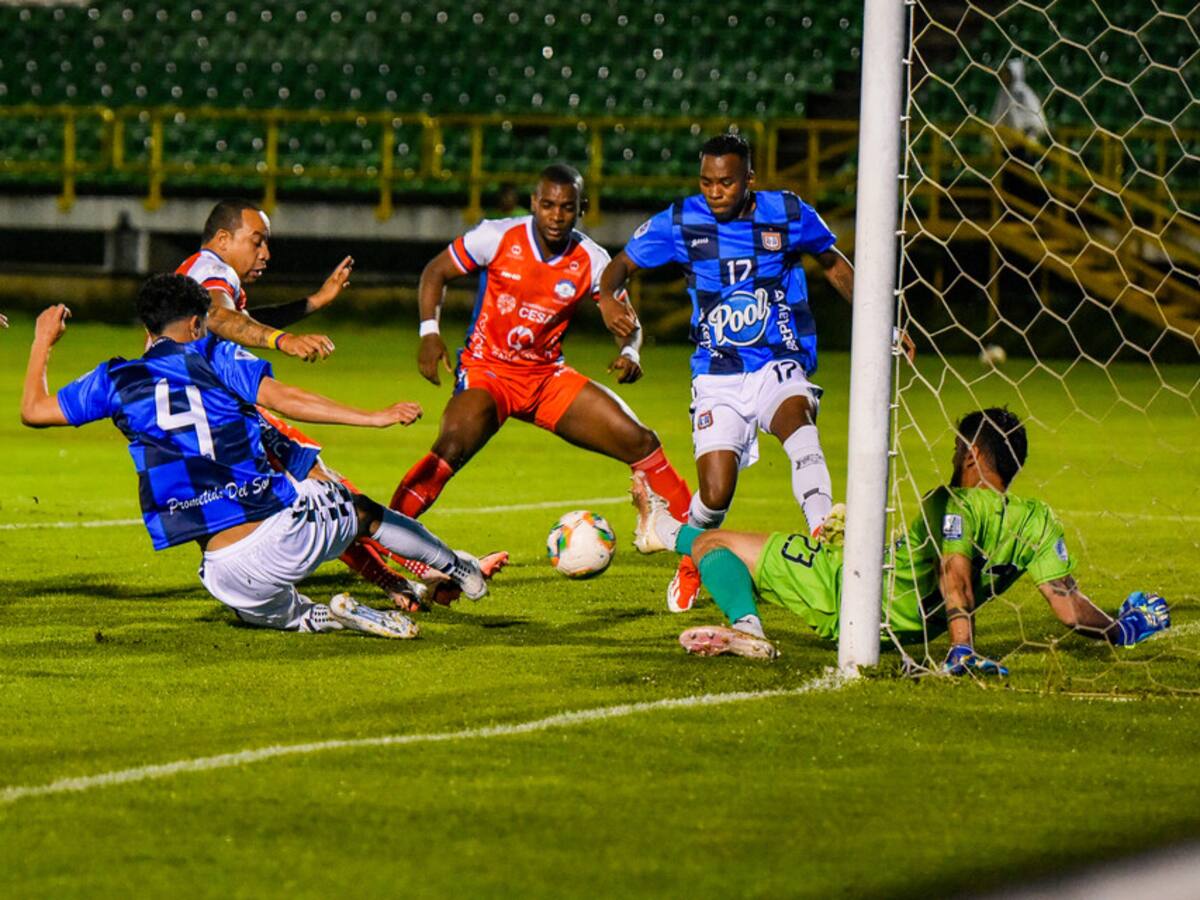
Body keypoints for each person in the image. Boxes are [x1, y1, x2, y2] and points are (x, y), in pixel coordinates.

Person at [19, 275, 489, 638]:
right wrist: (373, 417)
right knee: (358, 509)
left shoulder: (114, 379)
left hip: (222, 574)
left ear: (147, 328)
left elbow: (34, 411)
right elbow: (283, 398)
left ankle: (335, 616)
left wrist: (43, 342)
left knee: (283, 615)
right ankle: (461, 569)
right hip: (278, 540)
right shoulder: (212, 355)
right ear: (195, 324)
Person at [631, 407, 1171, 668]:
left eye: (959, 448)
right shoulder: (1037, 519)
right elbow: (1069, 609)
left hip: (849, 593)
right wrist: (1120, 626)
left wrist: (963, 650)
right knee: (803, 539)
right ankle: (659, 529)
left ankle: (742, 622)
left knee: (714, 546)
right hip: (906, 625)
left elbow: (953, 572)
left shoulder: (951, 501)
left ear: (972, 456)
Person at [177, 199, 486, 611]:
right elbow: (220, 316)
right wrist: (281, 341)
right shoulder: (211, 272)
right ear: (222, 239)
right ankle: (429, 571)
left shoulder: (200, 282)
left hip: (202, 423)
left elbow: (237, 317)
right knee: (330, 501)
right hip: (218, 426)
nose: (266, 252)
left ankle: (403, 577)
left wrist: (314, 302)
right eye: (257, 241)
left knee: (324, 493)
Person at [598, 132, 856, 614]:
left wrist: (880, 319)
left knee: (799, 425)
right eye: (707, 182)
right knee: (715, 496)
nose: (715, 192)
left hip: (778, 361)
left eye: (727, 183)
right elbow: (617, 269)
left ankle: (826, 536)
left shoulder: (788, 212)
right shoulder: (680, 221)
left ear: (749, 180)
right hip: (717, 374)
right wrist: (609, 302)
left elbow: (833, 263)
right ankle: (692, 557)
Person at [390, 163, 693, 552]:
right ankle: (381, 540)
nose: (556, 215)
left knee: (641, 441)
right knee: (449, 448)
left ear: (581, 208)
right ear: (534, 203)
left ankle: (697, 543)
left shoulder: (592, 260)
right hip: (489, 371)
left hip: (546, 378)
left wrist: (630, 351)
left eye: (567, 207)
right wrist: (429, 334)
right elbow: (435, 272)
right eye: (548, 205)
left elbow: (626, 320)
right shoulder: (496, 236)